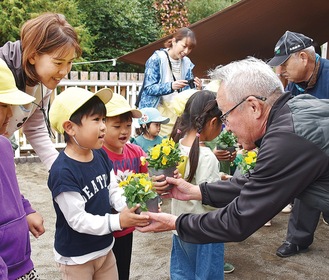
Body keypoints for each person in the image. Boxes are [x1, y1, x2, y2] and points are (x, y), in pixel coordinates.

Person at [136, 57, 329, 258]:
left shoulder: (286, 139)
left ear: (254, 107)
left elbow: (238, 220)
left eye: (225, 115)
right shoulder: (297, 110)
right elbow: (257, 182)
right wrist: (197, 191)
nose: (226, 126)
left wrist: (176, 223)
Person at [47, 87, 150, 279]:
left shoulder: (100, 154)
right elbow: (77, 219)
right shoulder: (62, 171)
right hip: (77, 257)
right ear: (70, 128)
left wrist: (127, 207)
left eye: (104, 119)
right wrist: (118, 221)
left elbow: (112, 189)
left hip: (104, 248)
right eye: (96, 120)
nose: (103, 126)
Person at [267, 31, 329, 257]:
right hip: (311, 153)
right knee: (304, 181)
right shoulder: (294, 85)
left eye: (284, 64)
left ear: (303, 57)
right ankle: (298, 239)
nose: (280, 71)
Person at [0, 12, 82, 170]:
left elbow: (35, 127)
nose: (64, 71)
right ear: (32, 56)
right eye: (58, 63)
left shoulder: (43, 80)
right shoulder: (3, 75)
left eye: (70, 62)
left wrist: (59, 169)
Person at [169, 90, 226, 279]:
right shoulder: (208, 157)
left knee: (182, 273)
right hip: (206, 230)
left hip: (181, 227)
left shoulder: (175, 146)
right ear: (212, 122)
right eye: (222, 122)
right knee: (207, 275)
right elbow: (211, 200)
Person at [0, 58, 45, 279]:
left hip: (21, 263)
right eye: (2, 106)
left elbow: (10, 188)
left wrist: (25, 209)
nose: (10, 115)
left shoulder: (3, 145)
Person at [102, 93, 147, 280]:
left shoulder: (136, 152)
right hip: (103, 227)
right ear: (102, 125)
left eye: (128, 125)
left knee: (122, 271)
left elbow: (146, 182)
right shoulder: (97, 154)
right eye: (117, 126)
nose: (124, 131)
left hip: (126, 226)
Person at [137, 27, 203, 137]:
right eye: (184, 46)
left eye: (190, 48)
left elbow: (186, 92)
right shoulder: (156, 59)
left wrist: (197, 89)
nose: (186, 51)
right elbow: (148, 88)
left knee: (174, 149)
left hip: (177, 115)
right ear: (173, 41)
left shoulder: (187, 62)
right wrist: (171, 86)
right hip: (155, 114)